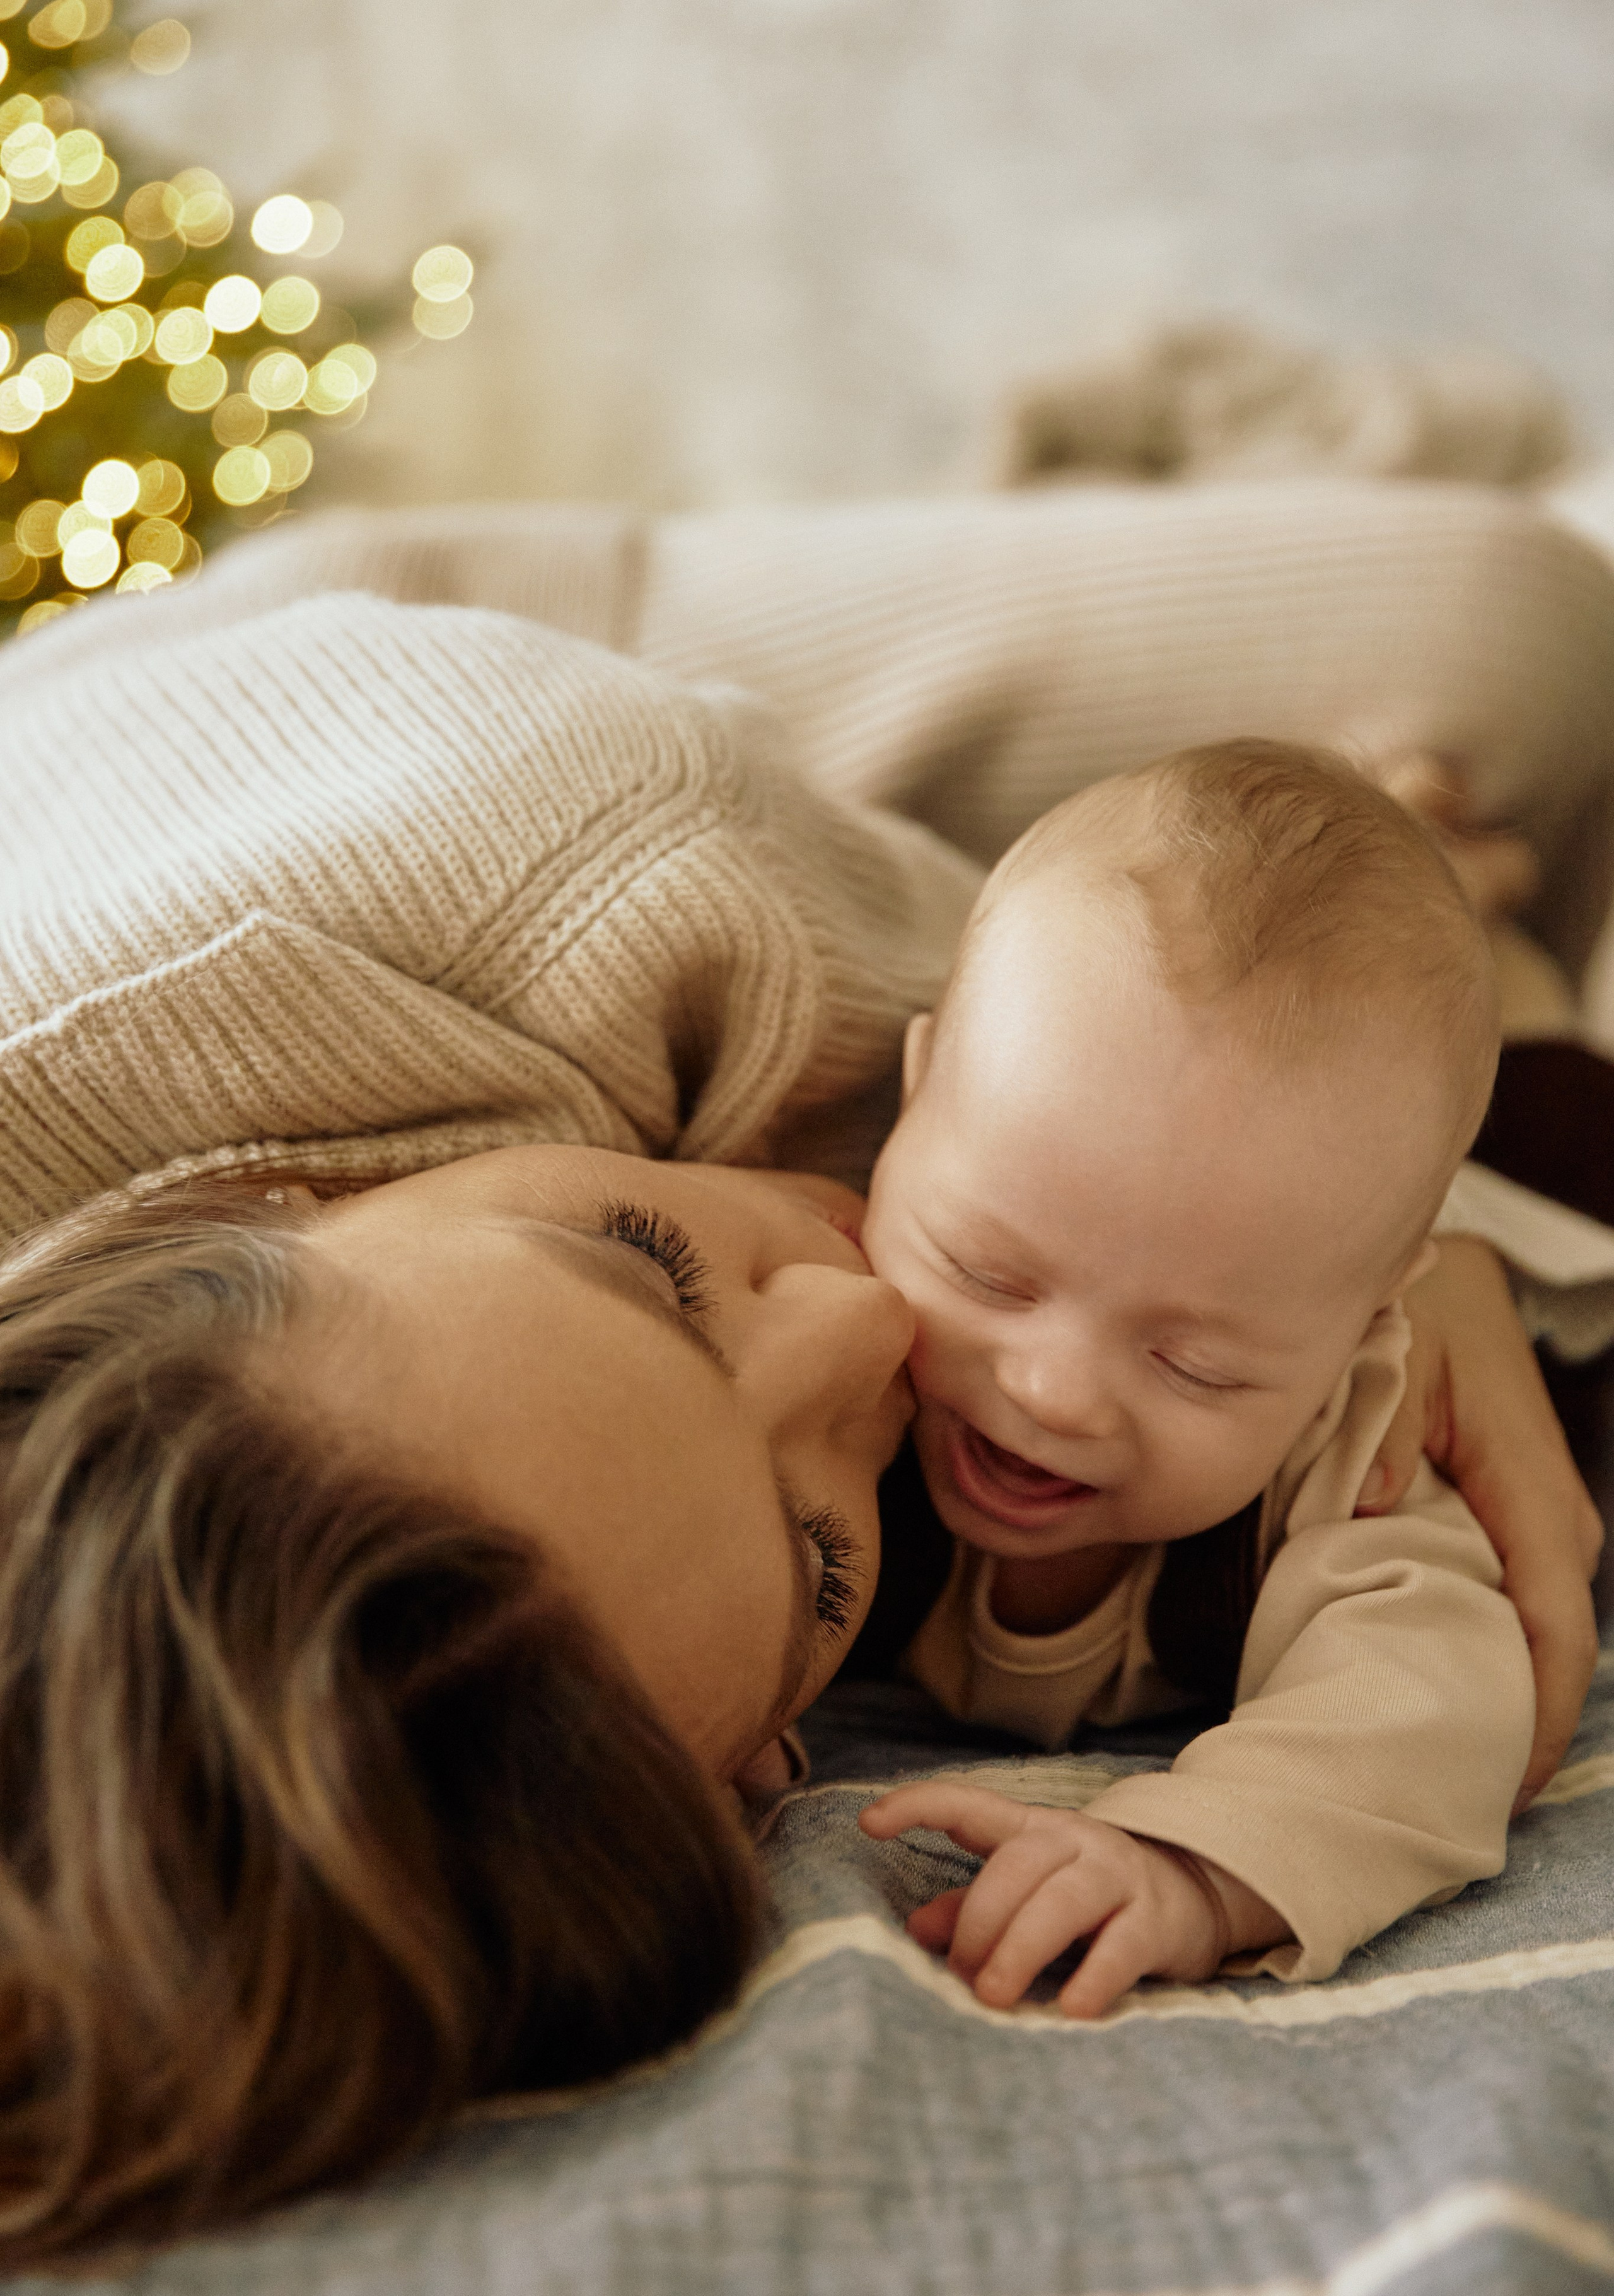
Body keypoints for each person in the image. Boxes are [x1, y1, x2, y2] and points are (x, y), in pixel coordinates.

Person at [0, 481, 1606, 2256]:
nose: (873, 1330)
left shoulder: (601, 885)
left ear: (278, 1191)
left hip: (457, 686)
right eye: (820, 1557)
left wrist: (1416, 1235)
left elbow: (1107, 1046)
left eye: (647, 1263)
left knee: (1511, 630)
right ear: (752, 1763)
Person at [857, 741, 1529, 2013]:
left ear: (1362, 1327)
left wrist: (1190, 1866)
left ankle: (1486, 906)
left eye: (1194, 1365)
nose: (1053, 1391)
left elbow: (1434, 1699)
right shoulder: (821, 1343)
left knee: (1559, 1105)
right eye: (989, 1274)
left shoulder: (1345, 1452)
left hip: (1549, 1187)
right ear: (909, 1102)